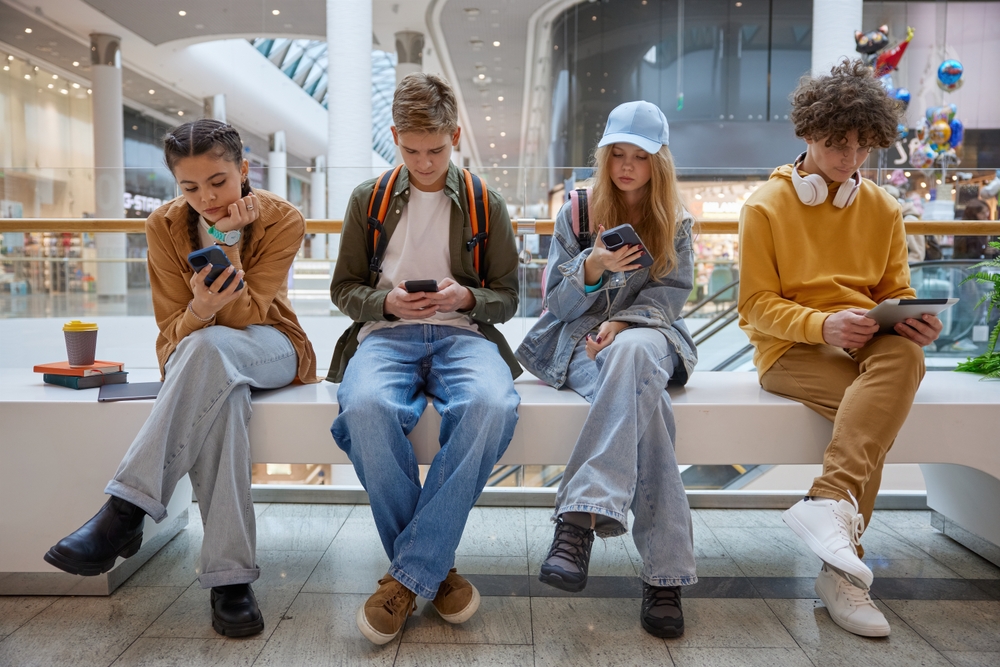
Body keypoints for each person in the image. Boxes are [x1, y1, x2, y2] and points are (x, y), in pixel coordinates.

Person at [44, 120, 318, 637]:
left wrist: (229, 243)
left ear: (243, 169)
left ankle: (125, 510)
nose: (207, 198)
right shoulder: (163, 227)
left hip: (273, 347)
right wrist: (198, 308)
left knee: (211, 347)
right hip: (201, 356)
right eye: (190, 188)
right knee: (223, 400)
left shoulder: (282, 219)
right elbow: (173, 330)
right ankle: (229, 580)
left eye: (218, 181)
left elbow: (247, 316)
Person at [738, 60, 942, 638]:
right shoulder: (765, 206)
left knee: (905, 357)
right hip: (790, 352)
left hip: (866, 345)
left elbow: (895, 291)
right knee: (869, 414)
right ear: (807, 133)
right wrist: (822, 326)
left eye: (860, 147)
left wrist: (912, 321)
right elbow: (753, 305)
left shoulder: (881, 207)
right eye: (835, 144)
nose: (849, 159)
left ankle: (827, 505)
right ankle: (841, 574)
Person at [328, 73, 521, 645]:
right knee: (363, 408)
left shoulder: (487, 202)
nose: (424, 161)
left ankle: (406, 576)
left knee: (491, 403)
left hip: (463, 335)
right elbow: (343, 290)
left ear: (454, 135)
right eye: (411, 150)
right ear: (394, 137)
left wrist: (466, 297)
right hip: (386, 336)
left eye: (436, 150)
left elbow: (508, 298)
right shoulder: (370, 199)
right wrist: (384, 302)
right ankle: (433, 571)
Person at [517, 100, 698, 639]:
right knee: (651, 412)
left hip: (646, 339)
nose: (626, 166)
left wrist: (623, 324)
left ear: (657, 162)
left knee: (636, 351)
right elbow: (557, 303)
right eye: (616, 153)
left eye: (639, 156)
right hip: (578, 345)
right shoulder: (577, 211)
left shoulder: (676, 221)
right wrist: (591, 267)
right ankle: (665, 576)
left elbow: (671, 299)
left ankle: (577, 523)